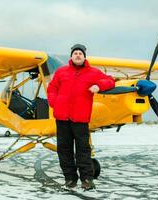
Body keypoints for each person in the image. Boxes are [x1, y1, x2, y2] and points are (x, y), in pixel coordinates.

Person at [47, 44, 115, 190]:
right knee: (64, 150)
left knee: (83, 150)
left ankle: (87, 180)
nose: (78, 55)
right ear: (71, 56)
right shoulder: (61, 72)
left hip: (80, 118)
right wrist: (54, 102)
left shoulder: (93, 72)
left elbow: (110, 80)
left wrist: (99, 86)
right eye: (75, 53)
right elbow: (52, 87)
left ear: (84, 57)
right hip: (62, 117)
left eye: (80, 53)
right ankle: (70, 179)